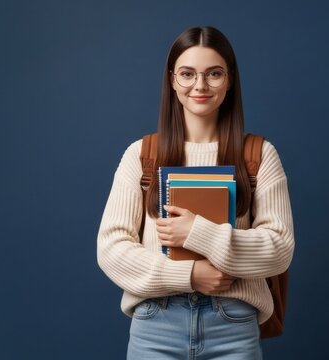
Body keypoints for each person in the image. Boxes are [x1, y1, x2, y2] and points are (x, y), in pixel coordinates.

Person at [96, 26, 294, 359]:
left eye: (213, 74)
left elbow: (279, 248)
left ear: (229, 80)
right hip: (155, 326)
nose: (199, 85)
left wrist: (197, 233)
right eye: (187, 74)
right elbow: (111, 249)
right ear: (172, 80)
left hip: (232, 326)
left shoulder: (258, 155)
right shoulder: (142, 155)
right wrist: (189, 274)